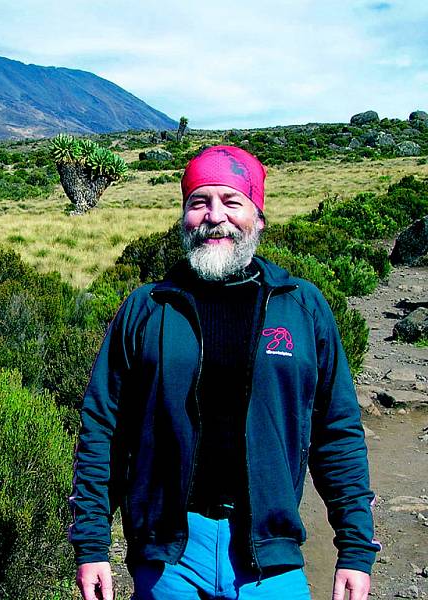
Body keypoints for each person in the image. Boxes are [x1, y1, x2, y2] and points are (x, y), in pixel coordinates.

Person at [69, 146, 379, 600]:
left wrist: (355, 547)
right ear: (183, 216)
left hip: (268, 554)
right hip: (169, 555)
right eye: (199, 202)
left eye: (232, 202)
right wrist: (93, 544)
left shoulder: (301, 307)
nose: (215, 216)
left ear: (258, 216)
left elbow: (337, 433)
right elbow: (102, 430)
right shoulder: (148, 307)